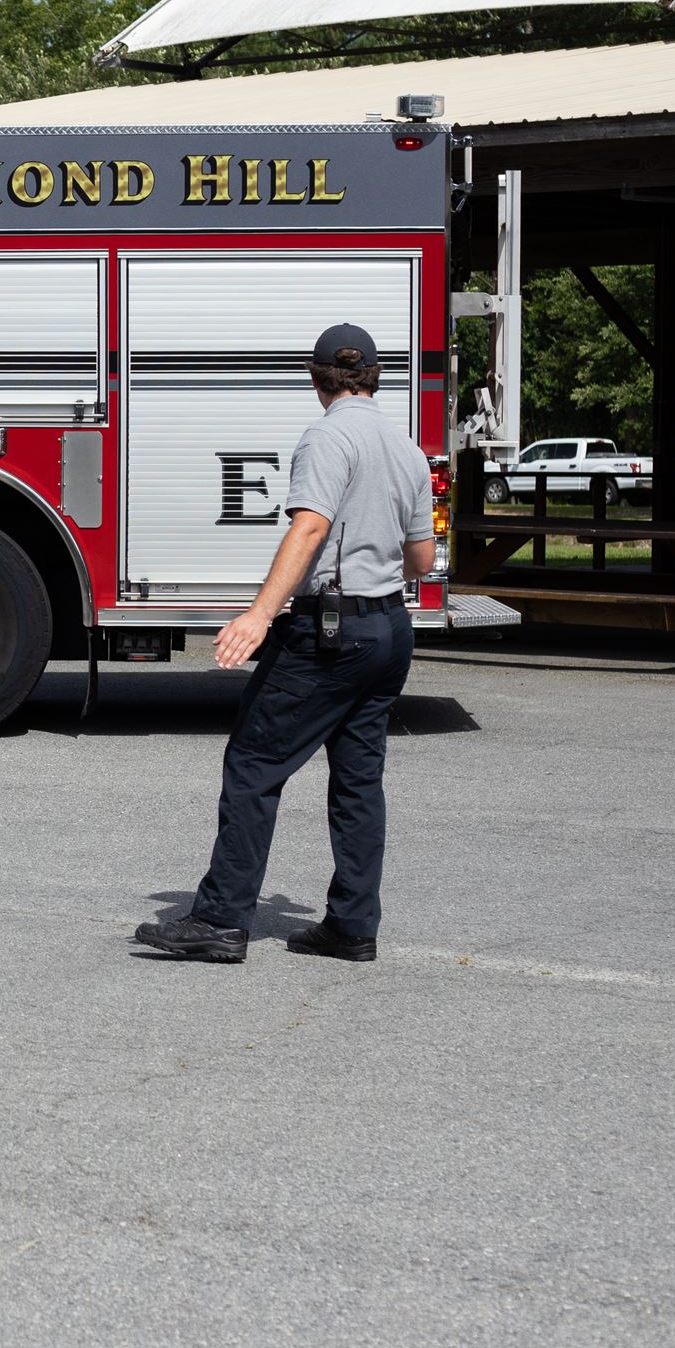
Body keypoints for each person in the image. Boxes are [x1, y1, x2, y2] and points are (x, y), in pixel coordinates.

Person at [134, 323, 435, 965]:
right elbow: (422, 557)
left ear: (315, 377)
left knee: (253, 763)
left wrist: (260, 614)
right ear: (375, 375)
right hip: (388, 630)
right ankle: (352, 925)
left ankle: (220, 919)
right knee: (358, 781)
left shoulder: (327, 437)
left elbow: (310, 527)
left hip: (330, 630)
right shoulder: (407, 448)